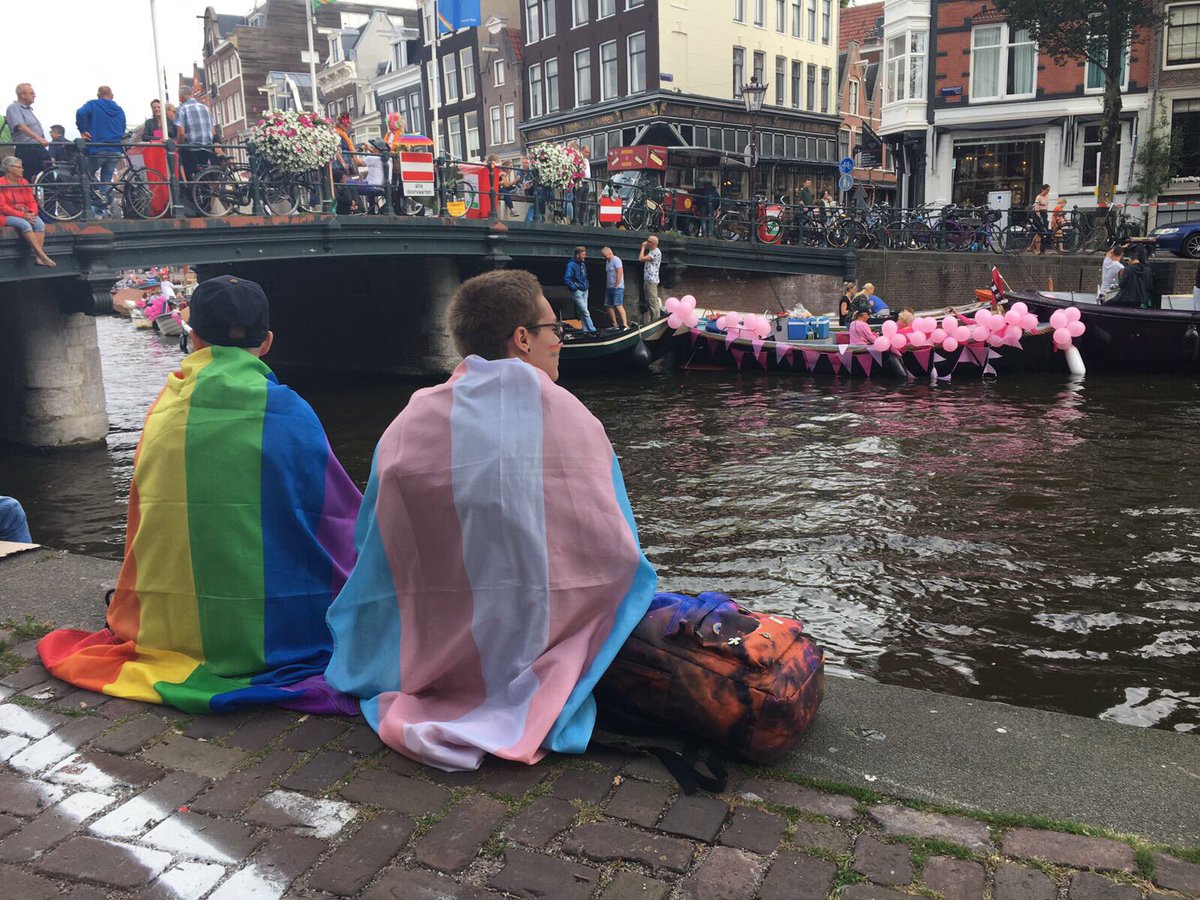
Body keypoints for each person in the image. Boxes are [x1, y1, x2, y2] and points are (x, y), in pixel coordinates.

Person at [324, 268, 657, 771]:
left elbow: (374, 543)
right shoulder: (570, 416)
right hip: (538, 638)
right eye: (555, 330)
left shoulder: (409, 420)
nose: (561, 342)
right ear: (522, 338)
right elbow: (619, 554)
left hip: (433, 643)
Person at [38, 275, 362, 714]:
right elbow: (340, 518)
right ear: (266, 342)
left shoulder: (163, 411)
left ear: (192, 338)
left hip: (165, 626)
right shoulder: (289, 412)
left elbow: (142, 517)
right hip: (276, 632)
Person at [76, 86, 127, 218]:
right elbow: (122, 129)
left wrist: (83, 130)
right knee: (106, 182)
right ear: (112, 95)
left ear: (98, 95)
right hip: (115, 150)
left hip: (98, 148)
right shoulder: (119, 110)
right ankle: (101, 210)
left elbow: (80, 113)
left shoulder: (93, 104)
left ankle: (90, 210)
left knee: (85, 175)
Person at [0, 156, 56, 267]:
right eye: (19, 167)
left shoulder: (24, 182)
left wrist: (32, 213)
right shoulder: (1, 183)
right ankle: (42, 255)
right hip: (6, 215)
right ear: (10, 168)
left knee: (39, 224)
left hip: (26, 213)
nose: (22, 169)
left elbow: (32, 200)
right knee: (25, 225)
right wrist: (23, 216)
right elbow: (2, 207)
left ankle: (38, 258)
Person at [6, 84, 51, 180]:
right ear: (22, 95)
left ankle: (50, 193)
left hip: (38, 147)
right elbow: (21, 126)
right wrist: (39, 138)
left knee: (49, 172)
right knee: (29, 175)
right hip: (27, 148)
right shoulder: (14, 108)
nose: (34, 95)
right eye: (31, 93)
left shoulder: (28, 110)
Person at [174, 86, 214, 180]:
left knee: (187, 173)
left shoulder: (182, 109)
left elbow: (181, 133)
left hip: (191, 147)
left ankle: (189, 191)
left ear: (181, 96)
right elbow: (213, 131)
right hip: (207, 147)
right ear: (192, 94)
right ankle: (204, 193)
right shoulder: (205, 108)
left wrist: (178, 145)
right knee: (202, 174)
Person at [564, 245, 597, 333]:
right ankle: (592, 330)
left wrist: (586, 285)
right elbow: (567, 279)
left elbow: (585, 276)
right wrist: (574, 287)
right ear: (577, 255)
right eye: (583, 254)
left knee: (584, 311)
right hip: (577, 291)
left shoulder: (583, 264)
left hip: (585, 290)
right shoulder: (571, 265)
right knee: (585, 311)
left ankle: (585, 330)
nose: (585, 256)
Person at [602, 246, 627, 329]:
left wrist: (617, 284)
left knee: (618, 304)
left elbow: (619, 271)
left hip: (617, 287)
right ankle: (614, 324)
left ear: (610, 253)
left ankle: (625, 324)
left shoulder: (616, 260)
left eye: (606, 256)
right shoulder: (607, 262)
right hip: (609, 287)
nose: (605, 258)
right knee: (608, 305)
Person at [639, 234, 663, 320]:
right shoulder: (652, 251)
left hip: (651, 279)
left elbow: (641, 258)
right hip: (648, 279)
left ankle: (656, 319)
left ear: (652, 243)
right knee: (649, 300)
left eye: (648, 242)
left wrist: (642, 247)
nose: (646, 243)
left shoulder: (656, 252)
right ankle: (653, 318)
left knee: (652, 300)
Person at [1030, 184, 1050, 255]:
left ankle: (1032, 246)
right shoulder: (1038, 197)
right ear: (1042, 189)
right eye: (1047, 190)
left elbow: (1046, 206)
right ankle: (1037, 249)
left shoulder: (1047, 196)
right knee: (1039, 232)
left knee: (1043, 231)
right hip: (1039, 214)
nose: (1048, 191)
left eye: (1048, 190)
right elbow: (1036, 208)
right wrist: (1040, 218)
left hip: (1044, 214)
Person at [574, 145, 592, 225]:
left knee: (584, 202)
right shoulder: (579, 158)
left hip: (586, 183)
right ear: (582, 150)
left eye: (588, 153)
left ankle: (581, 220)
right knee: (578, 200)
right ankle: (576, 218)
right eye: (586, 152)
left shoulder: (586, 160)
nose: (587, 154)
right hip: (581, 182)